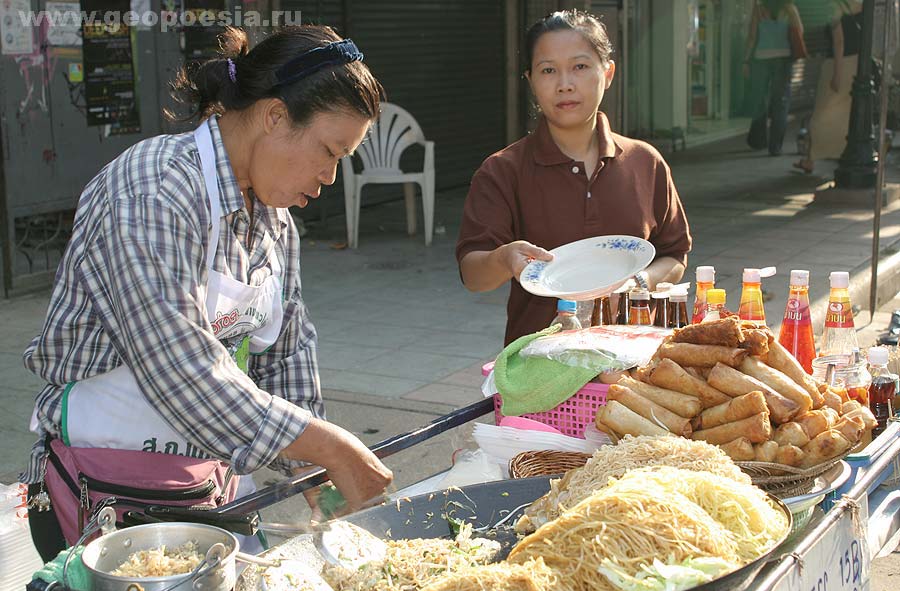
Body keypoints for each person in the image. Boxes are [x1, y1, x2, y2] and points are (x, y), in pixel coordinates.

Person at [21, 25, 393, 560]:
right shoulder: (154, 188)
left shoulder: (273, 219)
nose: (330, 177)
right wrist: (329, 446)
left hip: (204, 487)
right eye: (329, 152)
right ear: (274, 116)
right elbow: (180, 365)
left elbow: (286, 349)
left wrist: (312, 470)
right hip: (99, 493)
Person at [456, 10, 692, 346]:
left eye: (580, 66)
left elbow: (675, 253)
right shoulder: (502, 170)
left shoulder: (645, 162)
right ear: (531, 81)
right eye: (548, 70)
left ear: (607, 73)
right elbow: (473, 275)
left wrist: (638, 282)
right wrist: (503, 258)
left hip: (633, 360)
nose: (565, 83)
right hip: (540, 364)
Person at [794, 0, 863, 174]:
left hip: (838, 64)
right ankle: (836, 154)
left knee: (820, 114)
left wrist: (837, 74)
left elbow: (839, 41)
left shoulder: (833, 9)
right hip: (855, 63)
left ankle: (811, 158)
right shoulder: (858, 5)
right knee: (845, 114)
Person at [743, 0, 805, 156]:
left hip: (761, 59)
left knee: (760, 100)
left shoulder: (759, 9)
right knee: (781, 102)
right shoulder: (790, 9)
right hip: (783, 59)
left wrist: (746, 60)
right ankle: (775, 146)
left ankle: (759, 140)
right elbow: (800, 31)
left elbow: (752, 36)